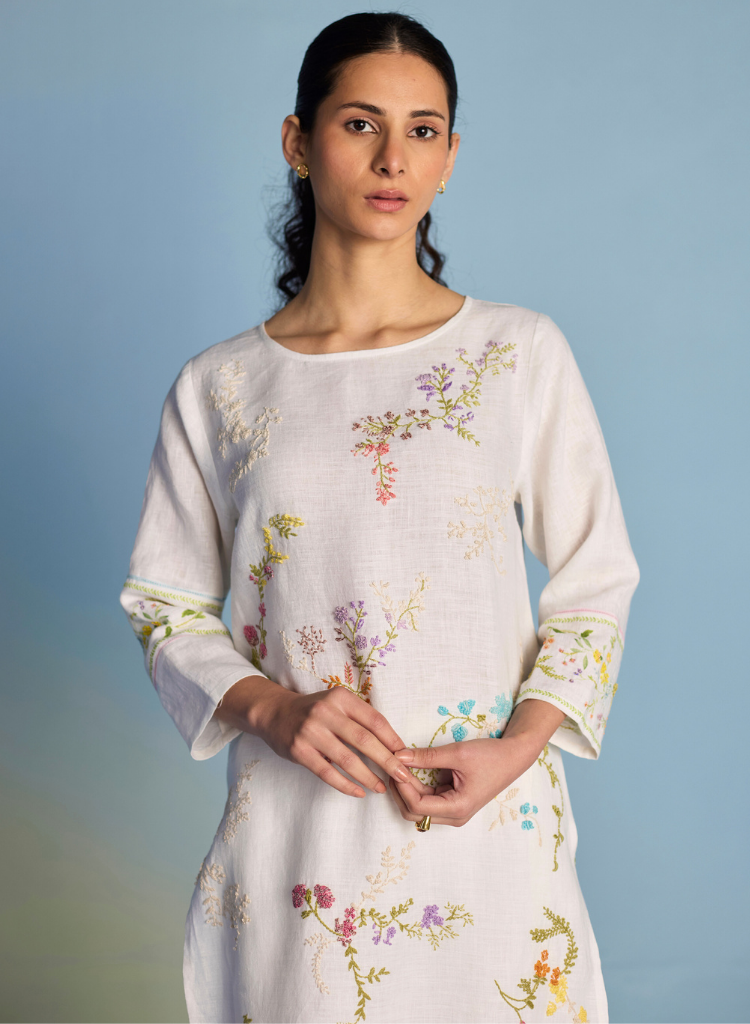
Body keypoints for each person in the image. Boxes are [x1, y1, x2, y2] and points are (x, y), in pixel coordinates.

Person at [119, 12, 639, 1024]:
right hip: (299, 848)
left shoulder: (516, 354)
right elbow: (164, 604)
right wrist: (269, 708)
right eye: (360, 124)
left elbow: (597, 580)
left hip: (487, 833)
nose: (394, 157)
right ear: (297, 140)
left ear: (450, 155)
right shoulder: (222, 387)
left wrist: (519, 747)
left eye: (423, 130)